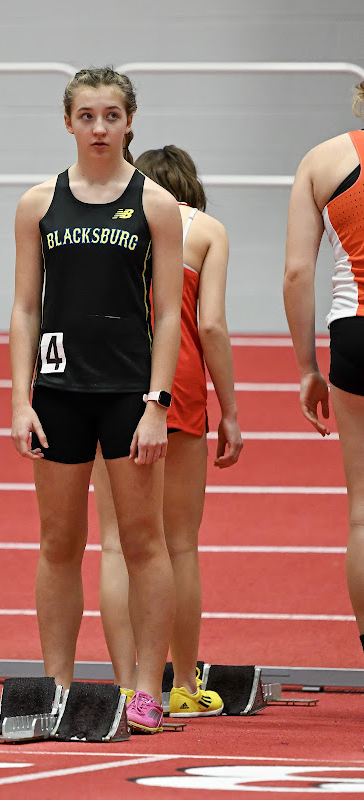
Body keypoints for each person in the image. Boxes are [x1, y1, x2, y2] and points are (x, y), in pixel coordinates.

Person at [9, 67, 184, 733]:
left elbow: (167, 314)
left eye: (111, 116)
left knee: (142, 541)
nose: (100, 128)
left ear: (129, 121)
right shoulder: (37, 204)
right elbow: (25, 307)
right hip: (56, 393)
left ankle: (144, 687)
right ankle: (55, 684)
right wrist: (19, 400)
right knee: (57, 541)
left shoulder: (154, 205)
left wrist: (157, 404)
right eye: (87, 116)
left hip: (127, 395)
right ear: (67, 123)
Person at [93, 145, 243, 717]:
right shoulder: (206, 231)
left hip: (112, 375)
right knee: (178, 543)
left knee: (115, 542)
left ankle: (129, 688)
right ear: (193, 190)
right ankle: (180, 684)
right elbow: (211, 324)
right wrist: (229, 409)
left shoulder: (109, 217)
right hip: (177, 383)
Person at [283, 82, 364, 660]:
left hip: (354, 333)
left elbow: (295, 274)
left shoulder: (323, 160)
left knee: (362, 511)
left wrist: (308, 367)